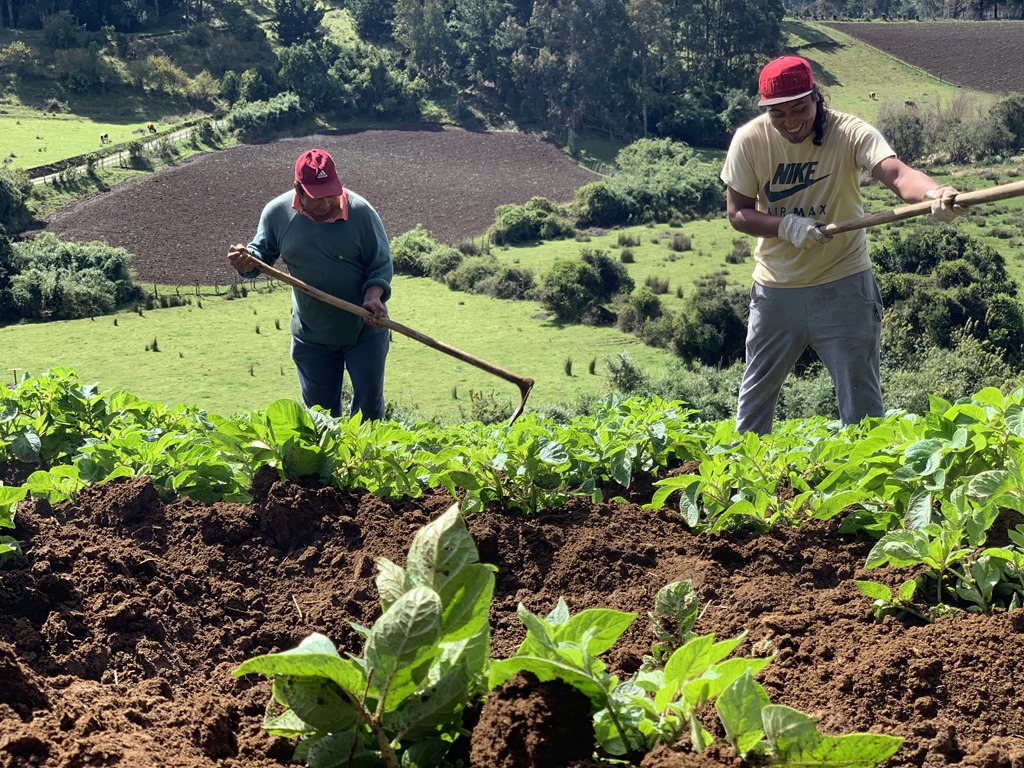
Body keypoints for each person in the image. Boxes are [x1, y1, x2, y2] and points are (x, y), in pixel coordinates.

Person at [720, 56, 966, 435]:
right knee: (754, 401)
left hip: (844, 286)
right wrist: (785, 226)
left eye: (799, 108)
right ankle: (741, 486)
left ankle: (868, 488)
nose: (790, 123)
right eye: (777, 115)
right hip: (776, 289)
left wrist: (933, 194)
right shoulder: (750, 140)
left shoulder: (850, 132)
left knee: (861, 403)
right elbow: (738, 213)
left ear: (817, 98)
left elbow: (897, 175)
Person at [228, 148, 393, 420]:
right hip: (311, 334)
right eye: (317, 197)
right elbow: (259, 256)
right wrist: (246, 261)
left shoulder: (361, 212)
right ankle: (330, 464)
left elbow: (381, 264)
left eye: (331, 193)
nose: (326, 202)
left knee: (369, 412)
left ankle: (366, 462)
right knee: (321, 417)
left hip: (364, 328)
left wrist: (373, 296)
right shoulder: (277, 214)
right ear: (298, 189)